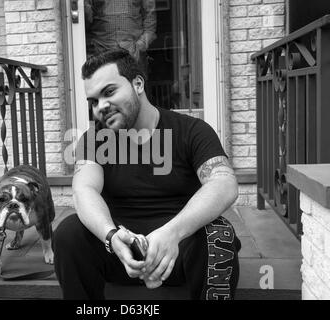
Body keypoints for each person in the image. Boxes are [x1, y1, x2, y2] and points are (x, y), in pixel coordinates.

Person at [54, 49, 241, 300]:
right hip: (120, 253)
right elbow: (83, 190)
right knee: (68, 234)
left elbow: (224, 183)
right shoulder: (93, 140)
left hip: (177, 251)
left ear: (138, 84)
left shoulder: (191, 130)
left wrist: (172, 233)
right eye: (94, 101)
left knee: (219, 234)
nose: (101, 107)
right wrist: (110, 236)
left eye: (109, 92)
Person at [84, 0, 156, 75]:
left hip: (132, 52)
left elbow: (150, 19)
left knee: (132, 83)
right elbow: (82, 22)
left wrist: (140, 45)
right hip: (101, 50)